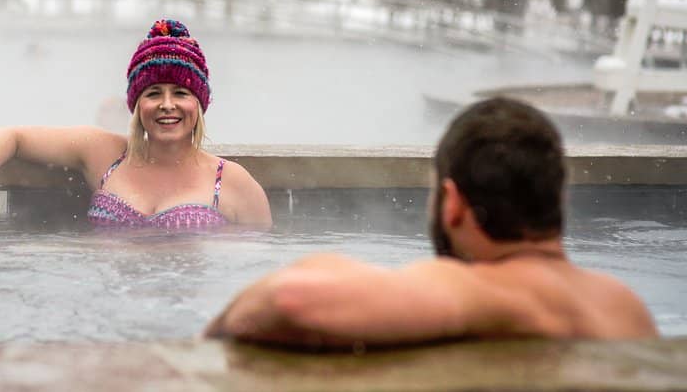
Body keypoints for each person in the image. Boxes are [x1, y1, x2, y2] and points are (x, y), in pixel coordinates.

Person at [205, 97, 656, 347]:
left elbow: (292, 299)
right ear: (556, 197)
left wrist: (213, 336)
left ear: (452, 203)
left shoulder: (485, 290)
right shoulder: (624, 305)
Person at [0, 19, 272, 229]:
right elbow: (10, 136)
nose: (166, 104)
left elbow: (260, 266)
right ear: (136, 104)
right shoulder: (105, 153)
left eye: (181, 93)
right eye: (152, 93)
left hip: (184, 312)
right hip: (107, 304)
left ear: (199, 104)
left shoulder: (230, 182)